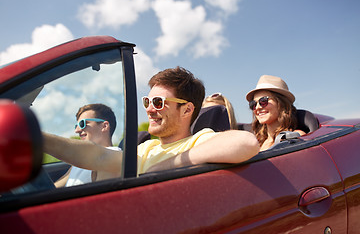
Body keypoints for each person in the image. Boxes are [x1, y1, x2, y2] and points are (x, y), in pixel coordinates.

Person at [43, 67, 260, 177]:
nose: (148, 108)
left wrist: (167, 165)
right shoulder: (146, 148)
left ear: (186, 109)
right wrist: (36, 137)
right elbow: (96, 155)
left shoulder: (199, 140)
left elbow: (247, 143)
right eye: (147, 101)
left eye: (158, 102)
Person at [54, 103, 120, 187]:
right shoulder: (79, 162)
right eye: (76, 126)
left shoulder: (115, 156)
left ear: (104, 126)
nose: (77, 130)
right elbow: (54, 188)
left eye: (82, 124)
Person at [246, 75, 306, 151]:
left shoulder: (295, 137)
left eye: (263, 101)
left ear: (281, 104)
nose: (257, 107)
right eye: (253, 104)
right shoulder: (257, 142)